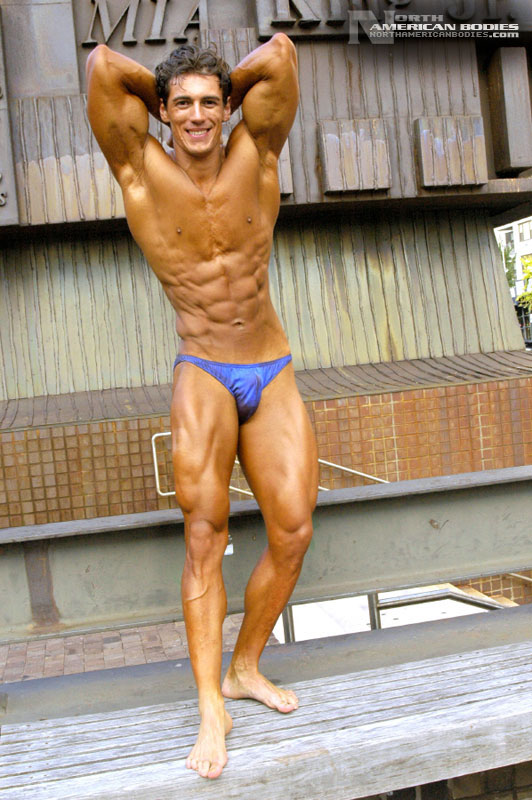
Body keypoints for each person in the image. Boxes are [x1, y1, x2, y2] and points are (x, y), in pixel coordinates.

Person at [86, 33, 318, 780]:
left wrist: (224, 86)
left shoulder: (259, 149)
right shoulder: (140, 167)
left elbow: (280, 53)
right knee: (203, 535)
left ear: (228, 107)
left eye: (209, 103)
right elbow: (100, 67)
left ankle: (245, 666)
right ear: (162, 110)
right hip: (204, 370)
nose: (195, 115)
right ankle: (210, 706)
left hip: (271, 368)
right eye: (180, 103)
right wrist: (169, 91)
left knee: (293, 530)